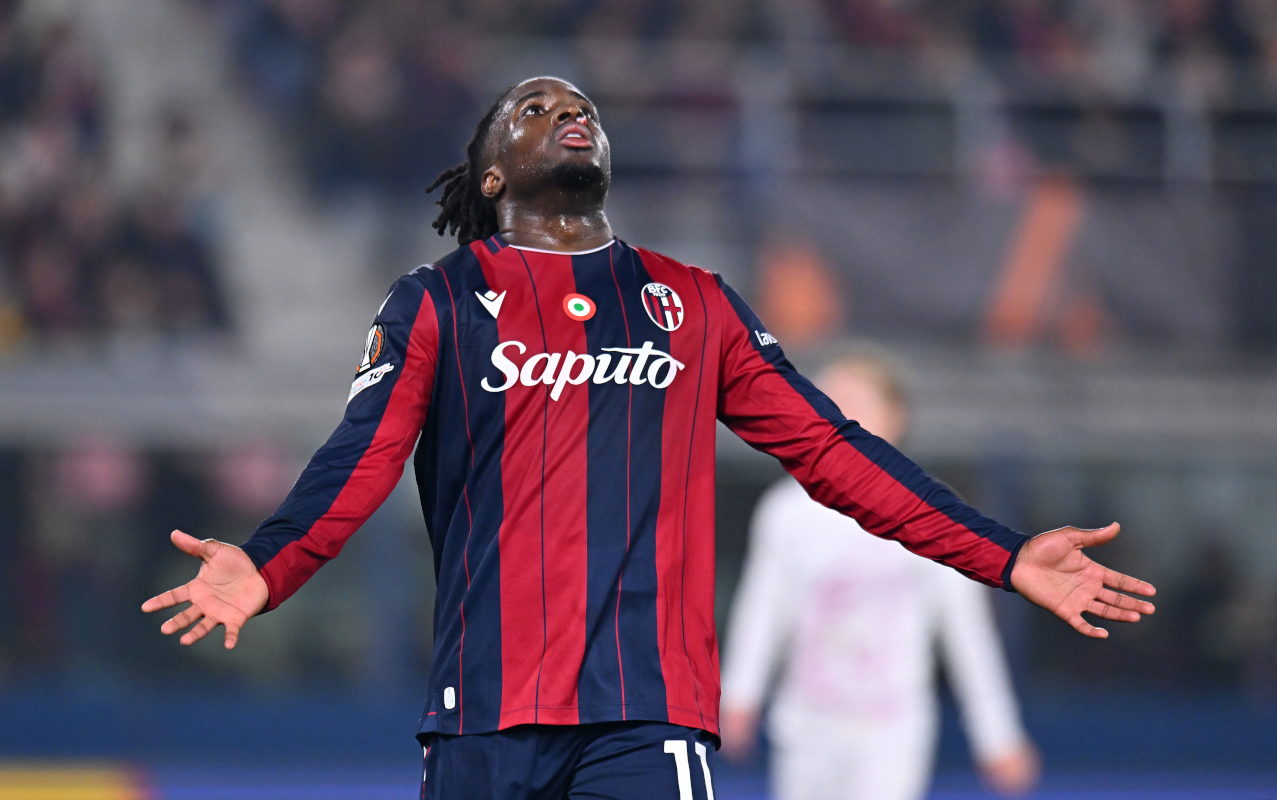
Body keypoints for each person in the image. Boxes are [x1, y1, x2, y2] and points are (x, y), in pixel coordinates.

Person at [142, 77, 1155, 800]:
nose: (567, 112)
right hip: (479, 712)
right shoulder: (438, 304)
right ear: (492, 176)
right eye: (532, 109)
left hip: (647, 708)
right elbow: (356, 460)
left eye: (578, 106)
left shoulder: (693, 302)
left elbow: (833, 453)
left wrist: (1003, 551)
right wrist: (268, 565)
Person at [719, 347, 1039, 800]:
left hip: (892, 728)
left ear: (894, 418)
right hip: (806, 724)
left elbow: (966, 631)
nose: (834, 416)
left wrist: (997, 734)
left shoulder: (932, 510)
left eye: (853, 404)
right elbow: (763, 608)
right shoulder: (786, 512)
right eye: (824, 403)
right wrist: (740, 693)